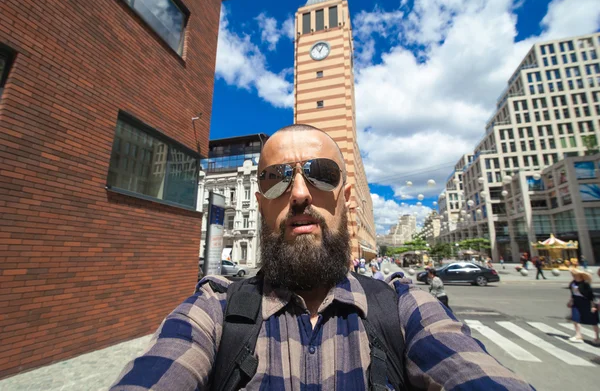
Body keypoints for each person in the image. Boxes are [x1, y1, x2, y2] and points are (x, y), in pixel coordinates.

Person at [110, 124, 533, 390]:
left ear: (346, 199)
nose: (298, 193)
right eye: (277, 178)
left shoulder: (402, 309)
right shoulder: (214, 312)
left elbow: (467, 364)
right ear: (261, 203)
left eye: (321, 174)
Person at [567, 268, 599, 344]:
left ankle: (597, 338)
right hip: (576, 302)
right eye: (573, 275)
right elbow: (573, 294)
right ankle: (578, 335)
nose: (573, 276)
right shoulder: (573, 283)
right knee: (575, 318)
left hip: (586, 302)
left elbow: (591, 296)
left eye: (575, 275)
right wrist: (570, 301)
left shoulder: (585, 284)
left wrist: (593, 306)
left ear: (580, 275)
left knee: (593, 321)